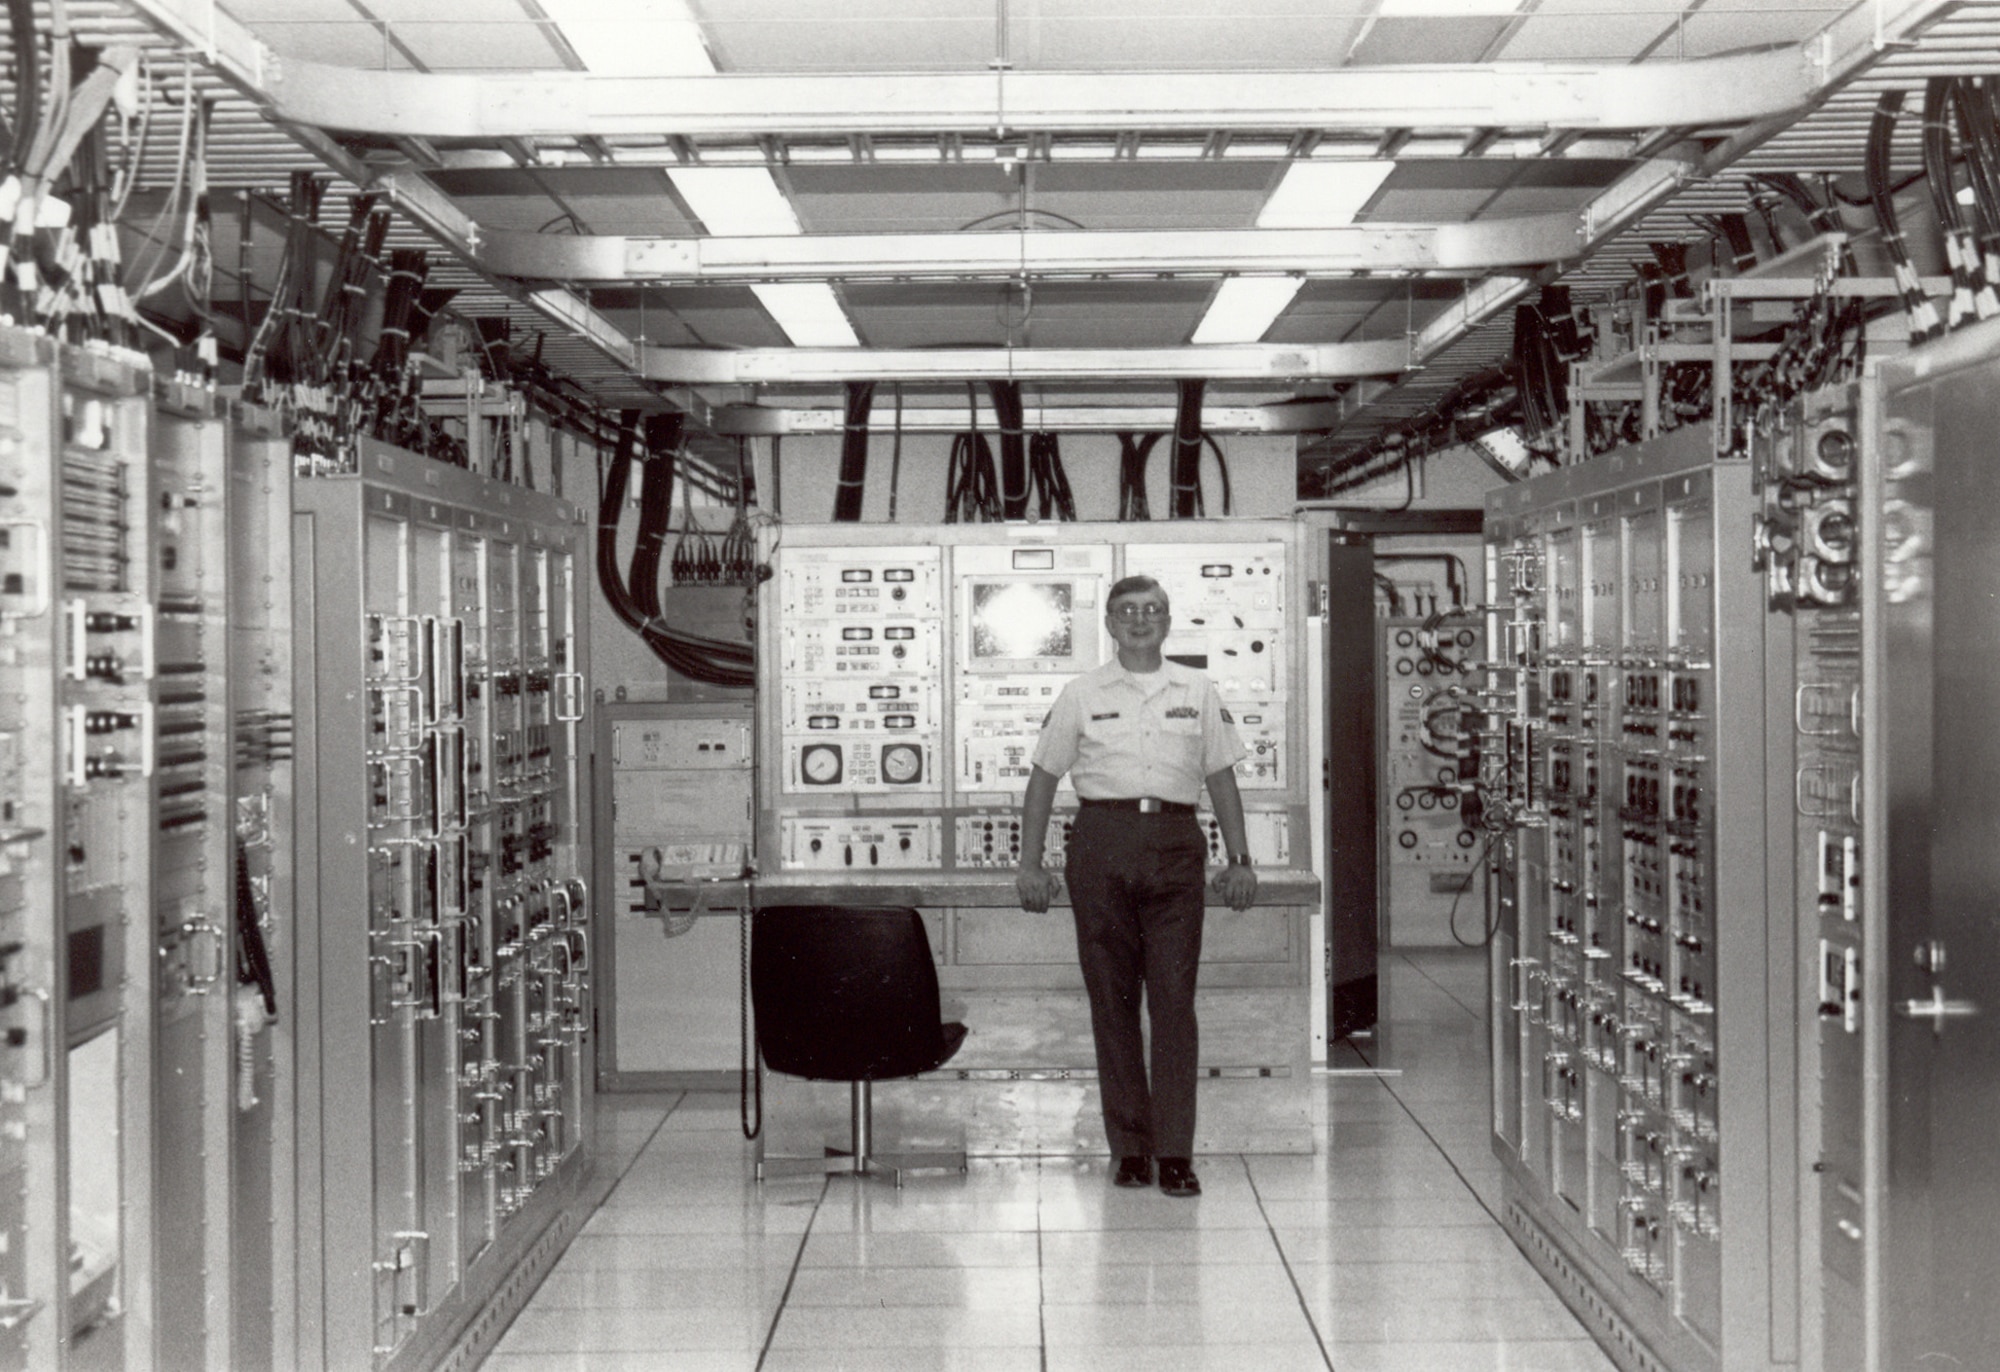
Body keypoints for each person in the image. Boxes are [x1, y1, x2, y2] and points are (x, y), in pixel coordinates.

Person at [1014, 574, 1257, 1198]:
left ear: (1167, 620)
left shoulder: (1197, 690)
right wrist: (1030, 863)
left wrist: (1240, 857)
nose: (1140, 620)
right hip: (1101, 842)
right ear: (1112, 625)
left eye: (1152, 609)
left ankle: (1175, 1153)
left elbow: (1222, 778)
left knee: (1174, 1003)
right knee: (1113, 1003)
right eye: (1127, 611)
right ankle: (1130, 1149)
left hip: (1175, 844)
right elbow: (1043, 780)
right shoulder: (1081, 692)